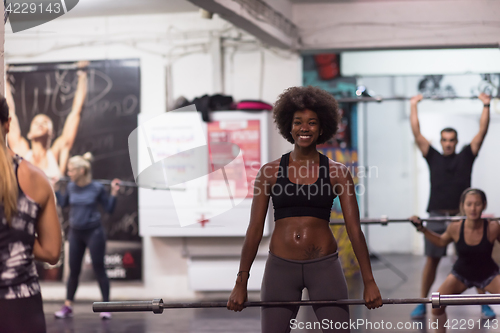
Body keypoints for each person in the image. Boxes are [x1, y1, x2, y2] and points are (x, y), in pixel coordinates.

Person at [226, 86, 383, 333]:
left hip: (324, 266)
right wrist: (240, 282)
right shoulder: (269, 172)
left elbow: (354, 230)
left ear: (322, 129)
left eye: (312, 123)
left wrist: (369, 282)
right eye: (298, 122)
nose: (304, 128)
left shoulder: (338, 173)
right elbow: (254, 229)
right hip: (280, 268)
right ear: (289, 126)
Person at [409, 93, 493, 320]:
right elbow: (417, 133)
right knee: (432, 260)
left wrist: (486, 104)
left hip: (461, 217)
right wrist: (413, 105)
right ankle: (422, 303)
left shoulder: (466, 155)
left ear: (456, 142)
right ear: (441, 141)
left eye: (451, 140)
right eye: (444, 140)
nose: (447, 143)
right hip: (436, 214)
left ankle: (485, 304)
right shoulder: (432, 156)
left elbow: (482, 132)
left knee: (473, 259)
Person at [0, 95, 62, 333]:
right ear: (8, 123)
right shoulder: (35, 177)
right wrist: (19, 233)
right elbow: (51, 251)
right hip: (21, 308)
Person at [411, 188, 500, 332]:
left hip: (488, 274)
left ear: (484, 205)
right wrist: (422, 229)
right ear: (462, 206)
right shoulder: (456, 227)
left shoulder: (493, 227)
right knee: (437, 304)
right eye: (469, 204)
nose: (473, 208)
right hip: (461, 274)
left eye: (477, 204)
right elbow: (440, 242)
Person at [53, 152, 120, 320]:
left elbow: (109, 209)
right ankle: (68, 307)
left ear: (82, 170)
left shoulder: (97, 188)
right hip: (75, 233)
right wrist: (56, 190)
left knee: (99, 269)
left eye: (71, 171)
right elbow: (63, 204)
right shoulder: (70, 187)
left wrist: (114, 192)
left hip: (94, 232)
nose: (69, 174)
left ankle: (106, 306)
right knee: (73, 271)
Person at [6, 61, 89, 180]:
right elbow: (10, 113)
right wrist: (5, 79)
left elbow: (76, 111)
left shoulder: (56, 154)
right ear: (29, 134)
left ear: (52, 133)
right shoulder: (22, 152)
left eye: (45, 122)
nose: (40, 124)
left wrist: (82, 74)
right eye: (36, 123)